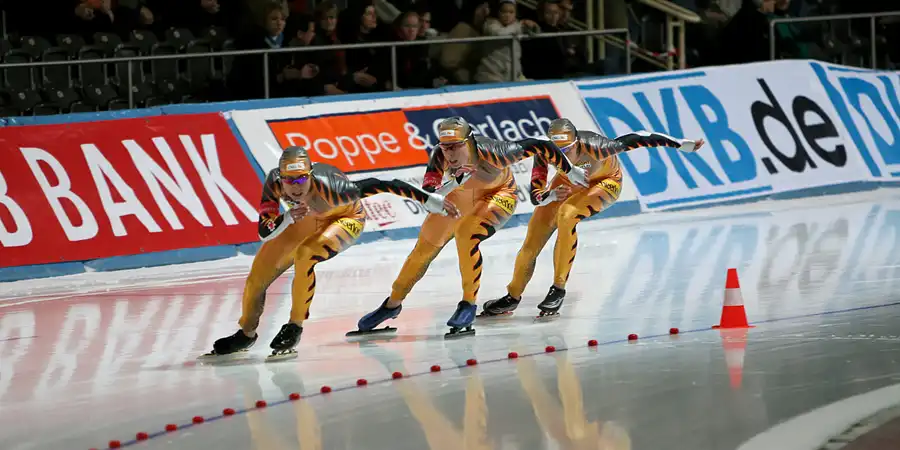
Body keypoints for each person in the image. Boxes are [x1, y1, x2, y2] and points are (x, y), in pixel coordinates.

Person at [201, 146, 458, 360]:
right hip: (303, 219)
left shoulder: (333, 189)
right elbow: (264, 231)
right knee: (257, 275)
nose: (295, 187)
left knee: (305, 255)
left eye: (301, 179)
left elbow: (383, 184)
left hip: (345, 218)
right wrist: (286, 217)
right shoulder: (273, 183)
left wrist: (428, 200)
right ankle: (245, 333)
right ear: (280, 178)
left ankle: (294, 325)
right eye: (289, 180)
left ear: (311, 176)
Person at [350, 116, 588, 339]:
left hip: (499, 194)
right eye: (445, 146)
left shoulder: (496, 152)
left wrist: (570, 170)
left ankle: (468, 304)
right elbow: (429, 194)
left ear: (469, 141)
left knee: (466, 235)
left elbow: (540, 145)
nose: (450, 153)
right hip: (460, 196)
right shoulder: (440, 156)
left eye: (455, 146)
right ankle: (391, 304)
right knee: (422, 249)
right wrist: (453, 183)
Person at [480, 118, 705, 320]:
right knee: (532, 239)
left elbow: (642, 137)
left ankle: (558, 288)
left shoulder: (597, 148)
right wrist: (548, 195)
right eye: (556, 152)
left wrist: (680, 143)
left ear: (576, 143)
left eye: (567, 150)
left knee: (567, 215)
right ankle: (513, 295)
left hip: (604, 182)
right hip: (567, 184)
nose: (562, 157)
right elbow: (535, 196)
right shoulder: (544, 153)